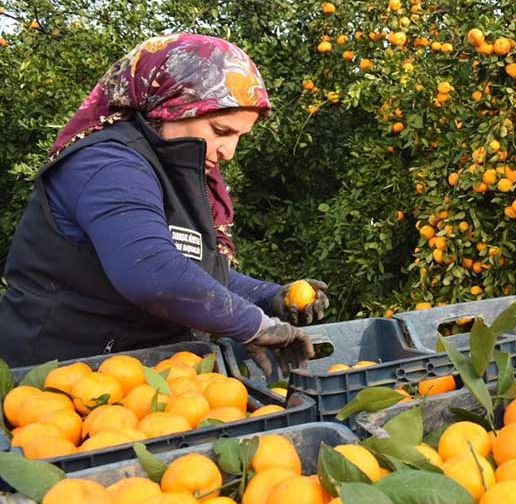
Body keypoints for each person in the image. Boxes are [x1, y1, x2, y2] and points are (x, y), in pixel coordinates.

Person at [0, 34, 327, 373]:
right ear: (171, 105)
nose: (229, 152)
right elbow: (151, 271)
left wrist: (268, 297)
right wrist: (253, 325)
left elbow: (195, 269)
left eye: (239, 137)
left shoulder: (175, 170)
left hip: (136, 377)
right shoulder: (107, 165)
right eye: (220, 130)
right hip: (56, 376)